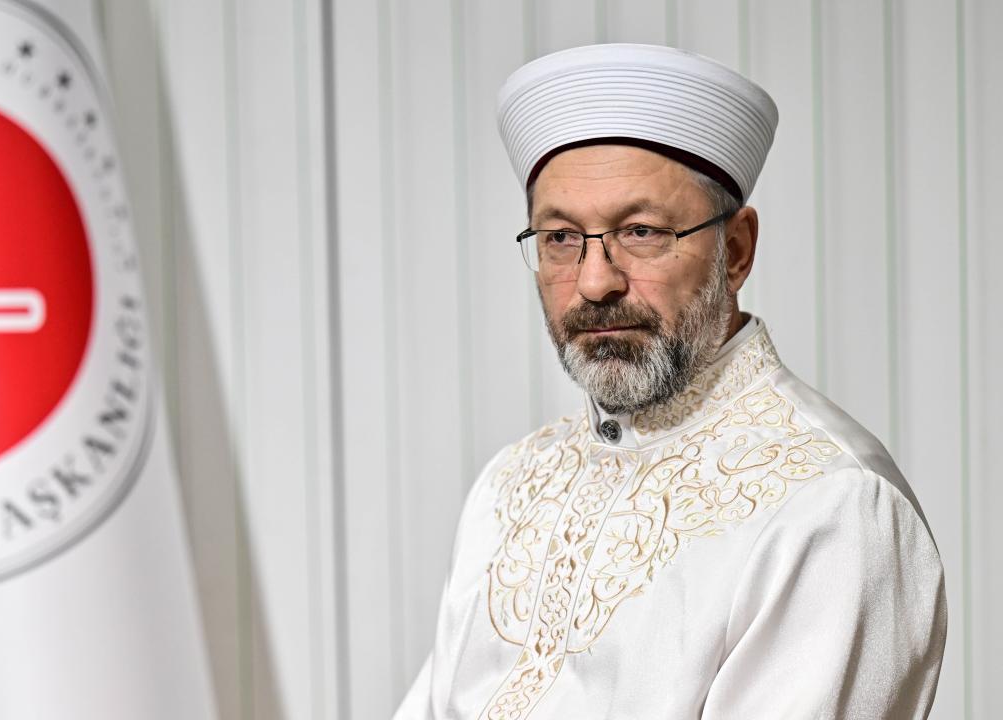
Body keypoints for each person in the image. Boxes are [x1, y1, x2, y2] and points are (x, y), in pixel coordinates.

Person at [394, 43, 946, 720]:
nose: (595, 282)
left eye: (641, 231)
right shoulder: (510, 482)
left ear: (735, 251)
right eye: (560, 237)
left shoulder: (832, 507)